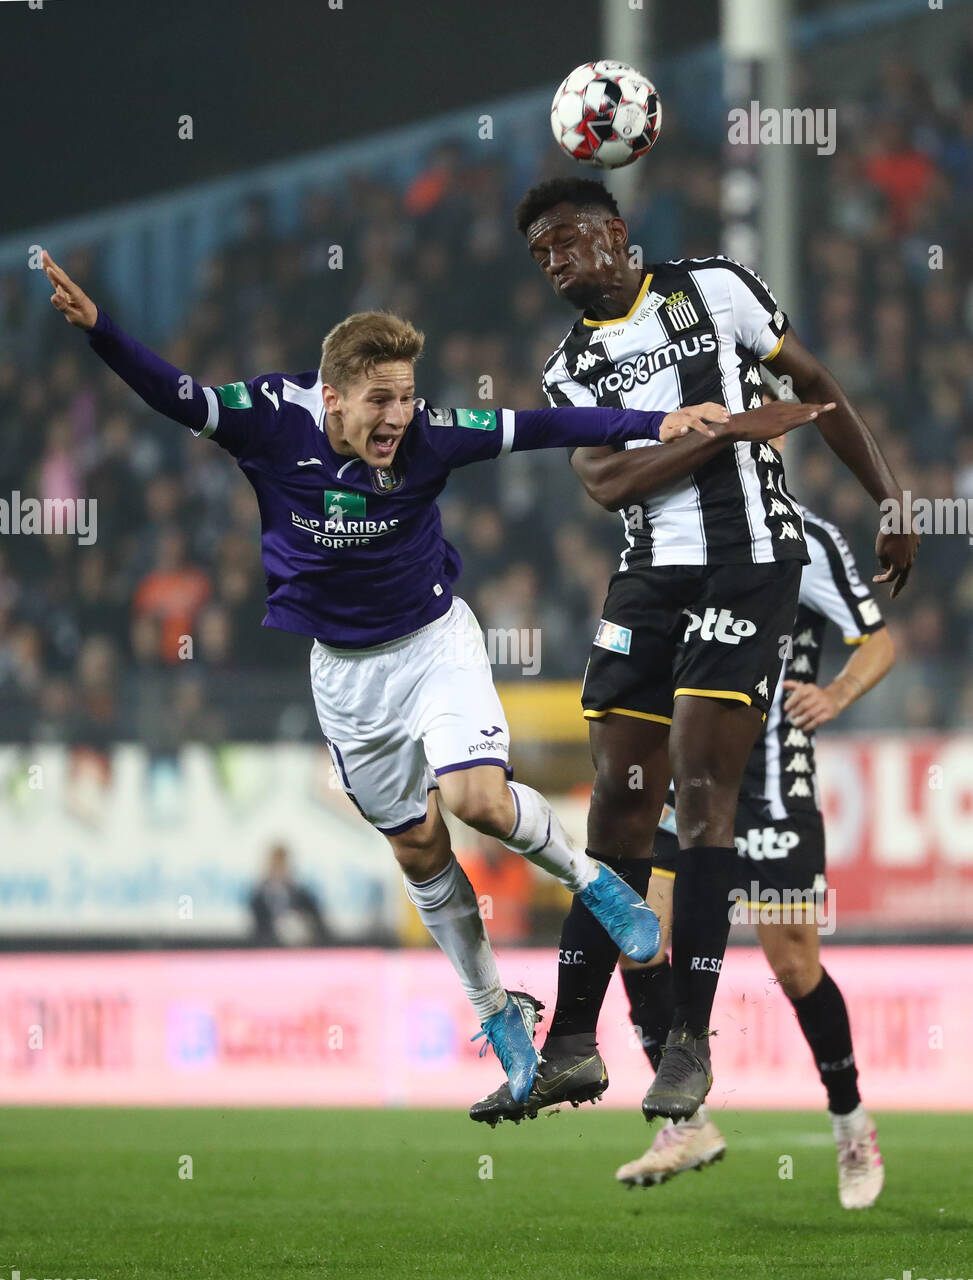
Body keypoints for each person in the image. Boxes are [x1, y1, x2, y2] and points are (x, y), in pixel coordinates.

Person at [43, 249, 734, 1105]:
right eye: (381, 401)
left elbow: (539, 427)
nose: (399, 417)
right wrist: (102, 330)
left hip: (435, 645)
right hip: (344, 676)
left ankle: (598, 887)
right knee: (419, 849)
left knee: (479, 800)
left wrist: (652, 423)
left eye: (407, 397)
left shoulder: (431, 437)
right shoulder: (268, 418)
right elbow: (175, 394)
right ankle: (498, 1012)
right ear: (332, 397)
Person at [471, 176, 915, 1126]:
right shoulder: (569, 370)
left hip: (747, 567)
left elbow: (816, 387)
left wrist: (888, 495)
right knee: (618, 819)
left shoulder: (715, 287)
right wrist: (727, 432)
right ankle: (573, 1049)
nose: (551, 264)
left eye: (563, 242)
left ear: (614, 234)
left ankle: (686, 1047)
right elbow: (607, 482)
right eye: (538, 255)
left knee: (703, 795)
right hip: (647, 580)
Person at [615, 439, 893, 1208]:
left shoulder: (805, 538)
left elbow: (878, 640)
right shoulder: (673, 535)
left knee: (793, 966)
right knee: (635, 938)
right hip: (691, 782)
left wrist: (835, 694)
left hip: (770, 788)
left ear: (771, 447)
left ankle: (850, 1125)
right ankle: (688, 1122)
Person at [250, 844, 332, 946]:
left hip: (300, 947)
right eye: (275, 864)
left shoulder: (301, 894)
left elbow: (319, 921)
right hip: (269, 948)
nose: (278, 868)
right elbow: (257, 927)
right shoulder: (259, 896)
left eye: (281, 864)